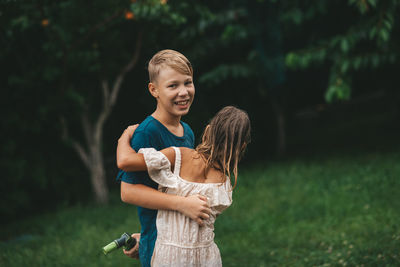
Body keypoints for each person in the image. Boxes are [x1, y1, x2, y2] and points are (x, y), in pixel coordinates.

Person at [117, 106, 251, 266]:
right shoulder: (224, 185)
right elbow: (192, 227)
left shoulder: (180, 156)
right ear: (242, 146)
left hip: (170, 257)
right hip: (207, 259)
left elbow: (125, 161)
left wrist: (124, 137)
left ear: (208, 131)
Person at [116, 49, 211, 266]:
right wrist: (182, 205)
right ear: (154, 90)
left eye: (188, 82)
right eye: (173, 85)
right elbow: (128, 191)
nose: (184, 92)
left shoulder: (186, 131)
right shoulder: (147, 132)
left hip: (184, 240)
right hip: (161, 247)